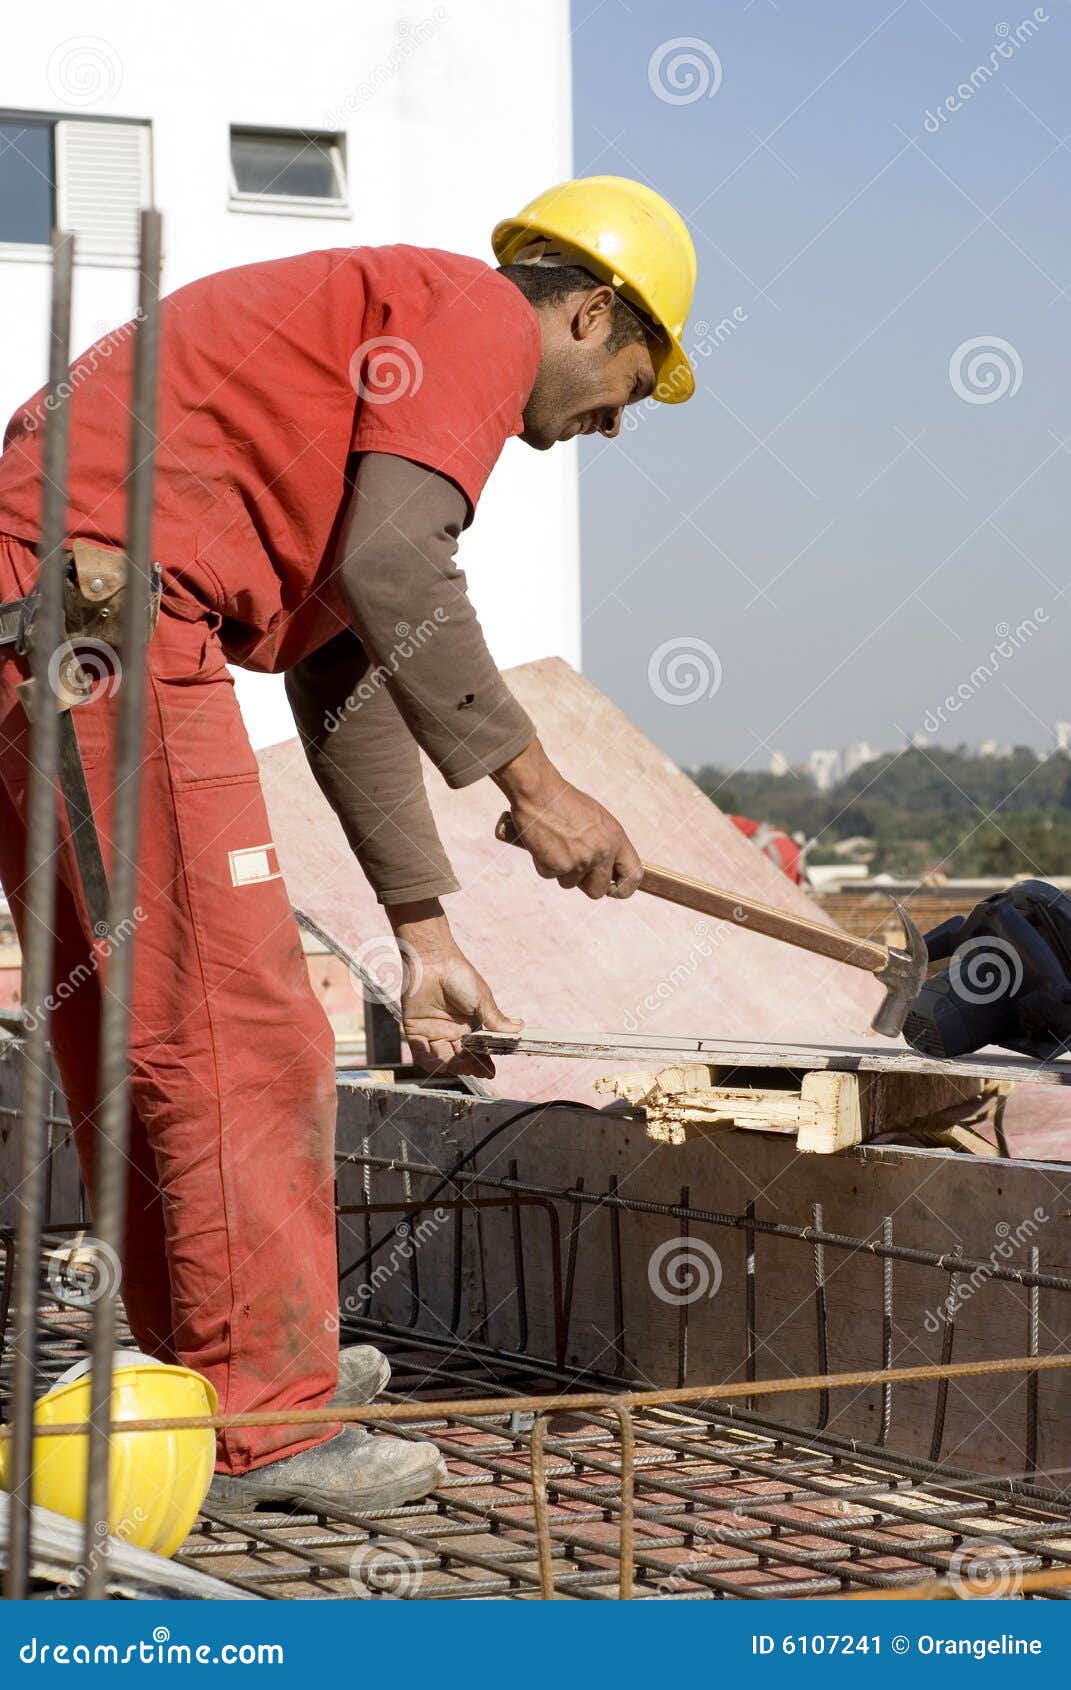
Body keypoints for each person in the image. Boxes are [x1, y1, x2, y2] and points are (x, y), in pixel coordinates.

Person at [0, 176, 697, 1511]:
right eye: (630, 383)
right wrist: (538, 785)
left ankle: (227, 1366)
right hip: (106, 616)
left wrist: (423, 934)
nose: (613, 422)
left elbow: (349, 658)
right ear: (589, 310)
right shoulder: (475, 316)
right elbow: (398, 568)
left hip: (54, 613)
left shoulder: (385, 340)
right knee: (246, 1028)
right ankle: (267, 1420)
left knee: (148, 1020)